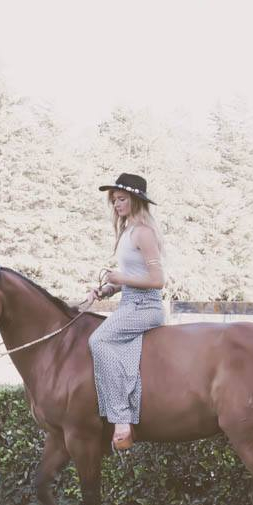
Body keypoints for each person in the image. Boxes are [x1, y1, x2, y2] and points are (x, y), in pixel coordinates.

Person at [82, 173, 167, 450]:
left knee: (99, 339)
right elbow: (131, 276)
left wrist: (120, 279)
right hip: (129, 302)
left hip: (147, 306)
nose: (116, 205)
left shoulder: (143, 232)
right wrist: (106, 290)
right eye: (114, 200)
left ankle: (121, 418)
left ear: (135, 201)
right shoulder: (127, 232)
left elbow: (157, 280)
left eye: (121, 199)